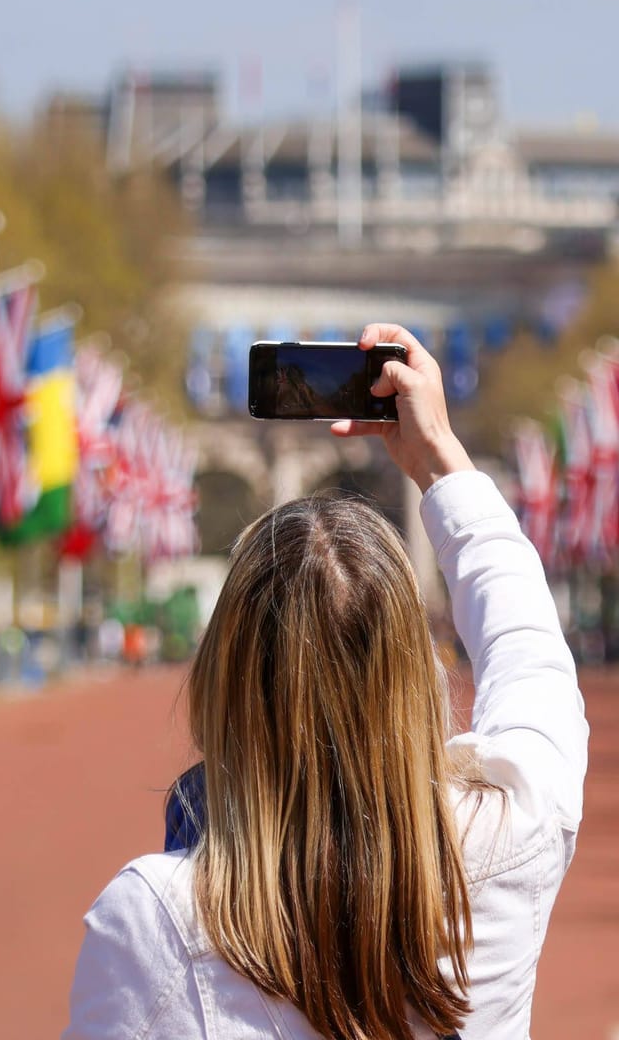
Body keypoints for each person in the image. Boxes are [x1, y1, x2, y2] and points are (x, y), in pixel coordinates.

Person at [65, 324, 588, 1039]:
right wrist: (441, 461)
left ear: (230, 670)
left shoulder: (152, 916)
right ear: (416, 668)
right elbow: (527, 641)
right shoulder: (519, 825)